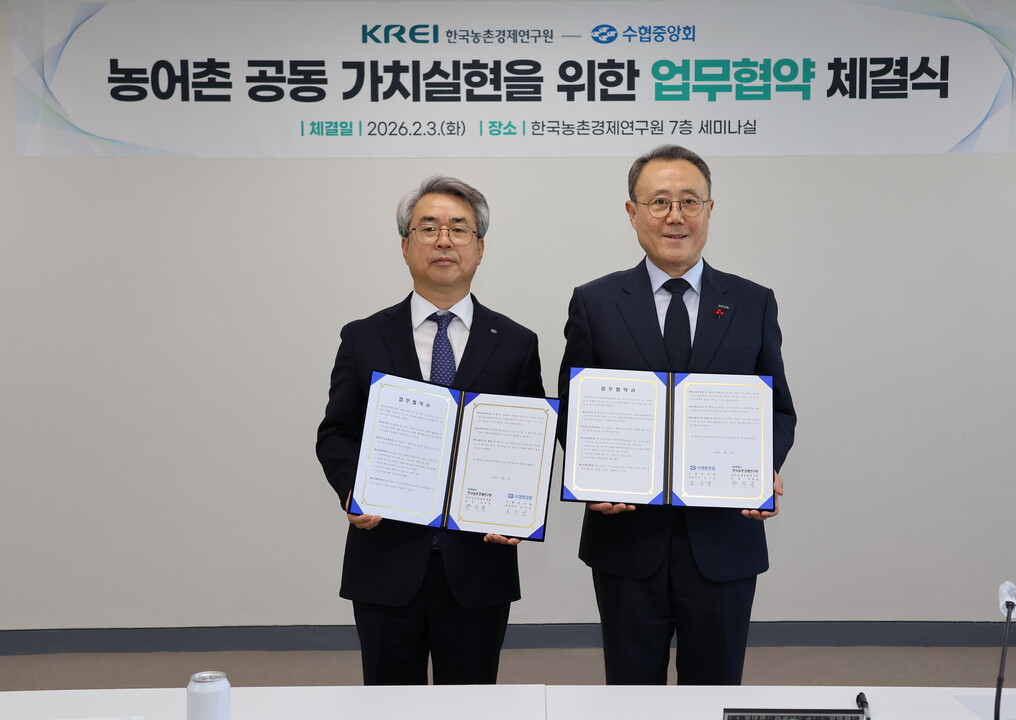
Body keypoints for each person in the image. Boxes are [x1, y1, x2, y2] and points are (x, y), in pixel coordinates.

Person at [557, 145, 796, 685]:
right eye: (659, 201)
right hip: (626, 539)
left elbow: (778, 408)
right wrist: (590, 474)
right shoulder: (595, 302)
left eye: (689, 201)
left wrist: (763, 466)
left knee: (714, 691)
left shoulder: (753, 302)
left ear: (710, 210)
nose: (675, 216)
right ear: (632, 212)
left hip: (723, 538)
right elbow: (574, 407)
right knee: (631, 694)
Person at [316, 175, 545, 685]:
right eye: (428, 228)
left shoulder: (515, 343)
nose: (444, 240)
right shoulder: (364, 337)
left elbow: (529, 444)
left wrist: (518, 509)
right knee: (389, 705)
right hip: (385, 561)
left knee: (472, 705)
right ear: (405, 246)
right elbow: (336, 433)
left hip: (478, 566)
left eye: (459, 229)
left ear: (480, 248)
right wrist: (354, 489)